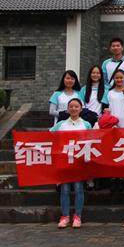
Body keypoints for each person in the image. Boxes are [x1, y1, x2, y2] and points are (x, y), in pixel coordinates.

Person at [51, 98, 92, 229]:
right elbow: (49, 135)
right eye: (71, 106)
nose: (74, 109)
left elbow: (91, 141)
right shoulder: (61, 124)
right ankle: (65, 216)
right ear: (68, 109)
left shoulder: (86, 124)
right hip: (64, 161)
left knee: (79, 188)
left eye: (76, 106)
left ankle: (77, 216)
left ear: (81, 109)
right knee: (65, 189)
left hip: (79, 161)